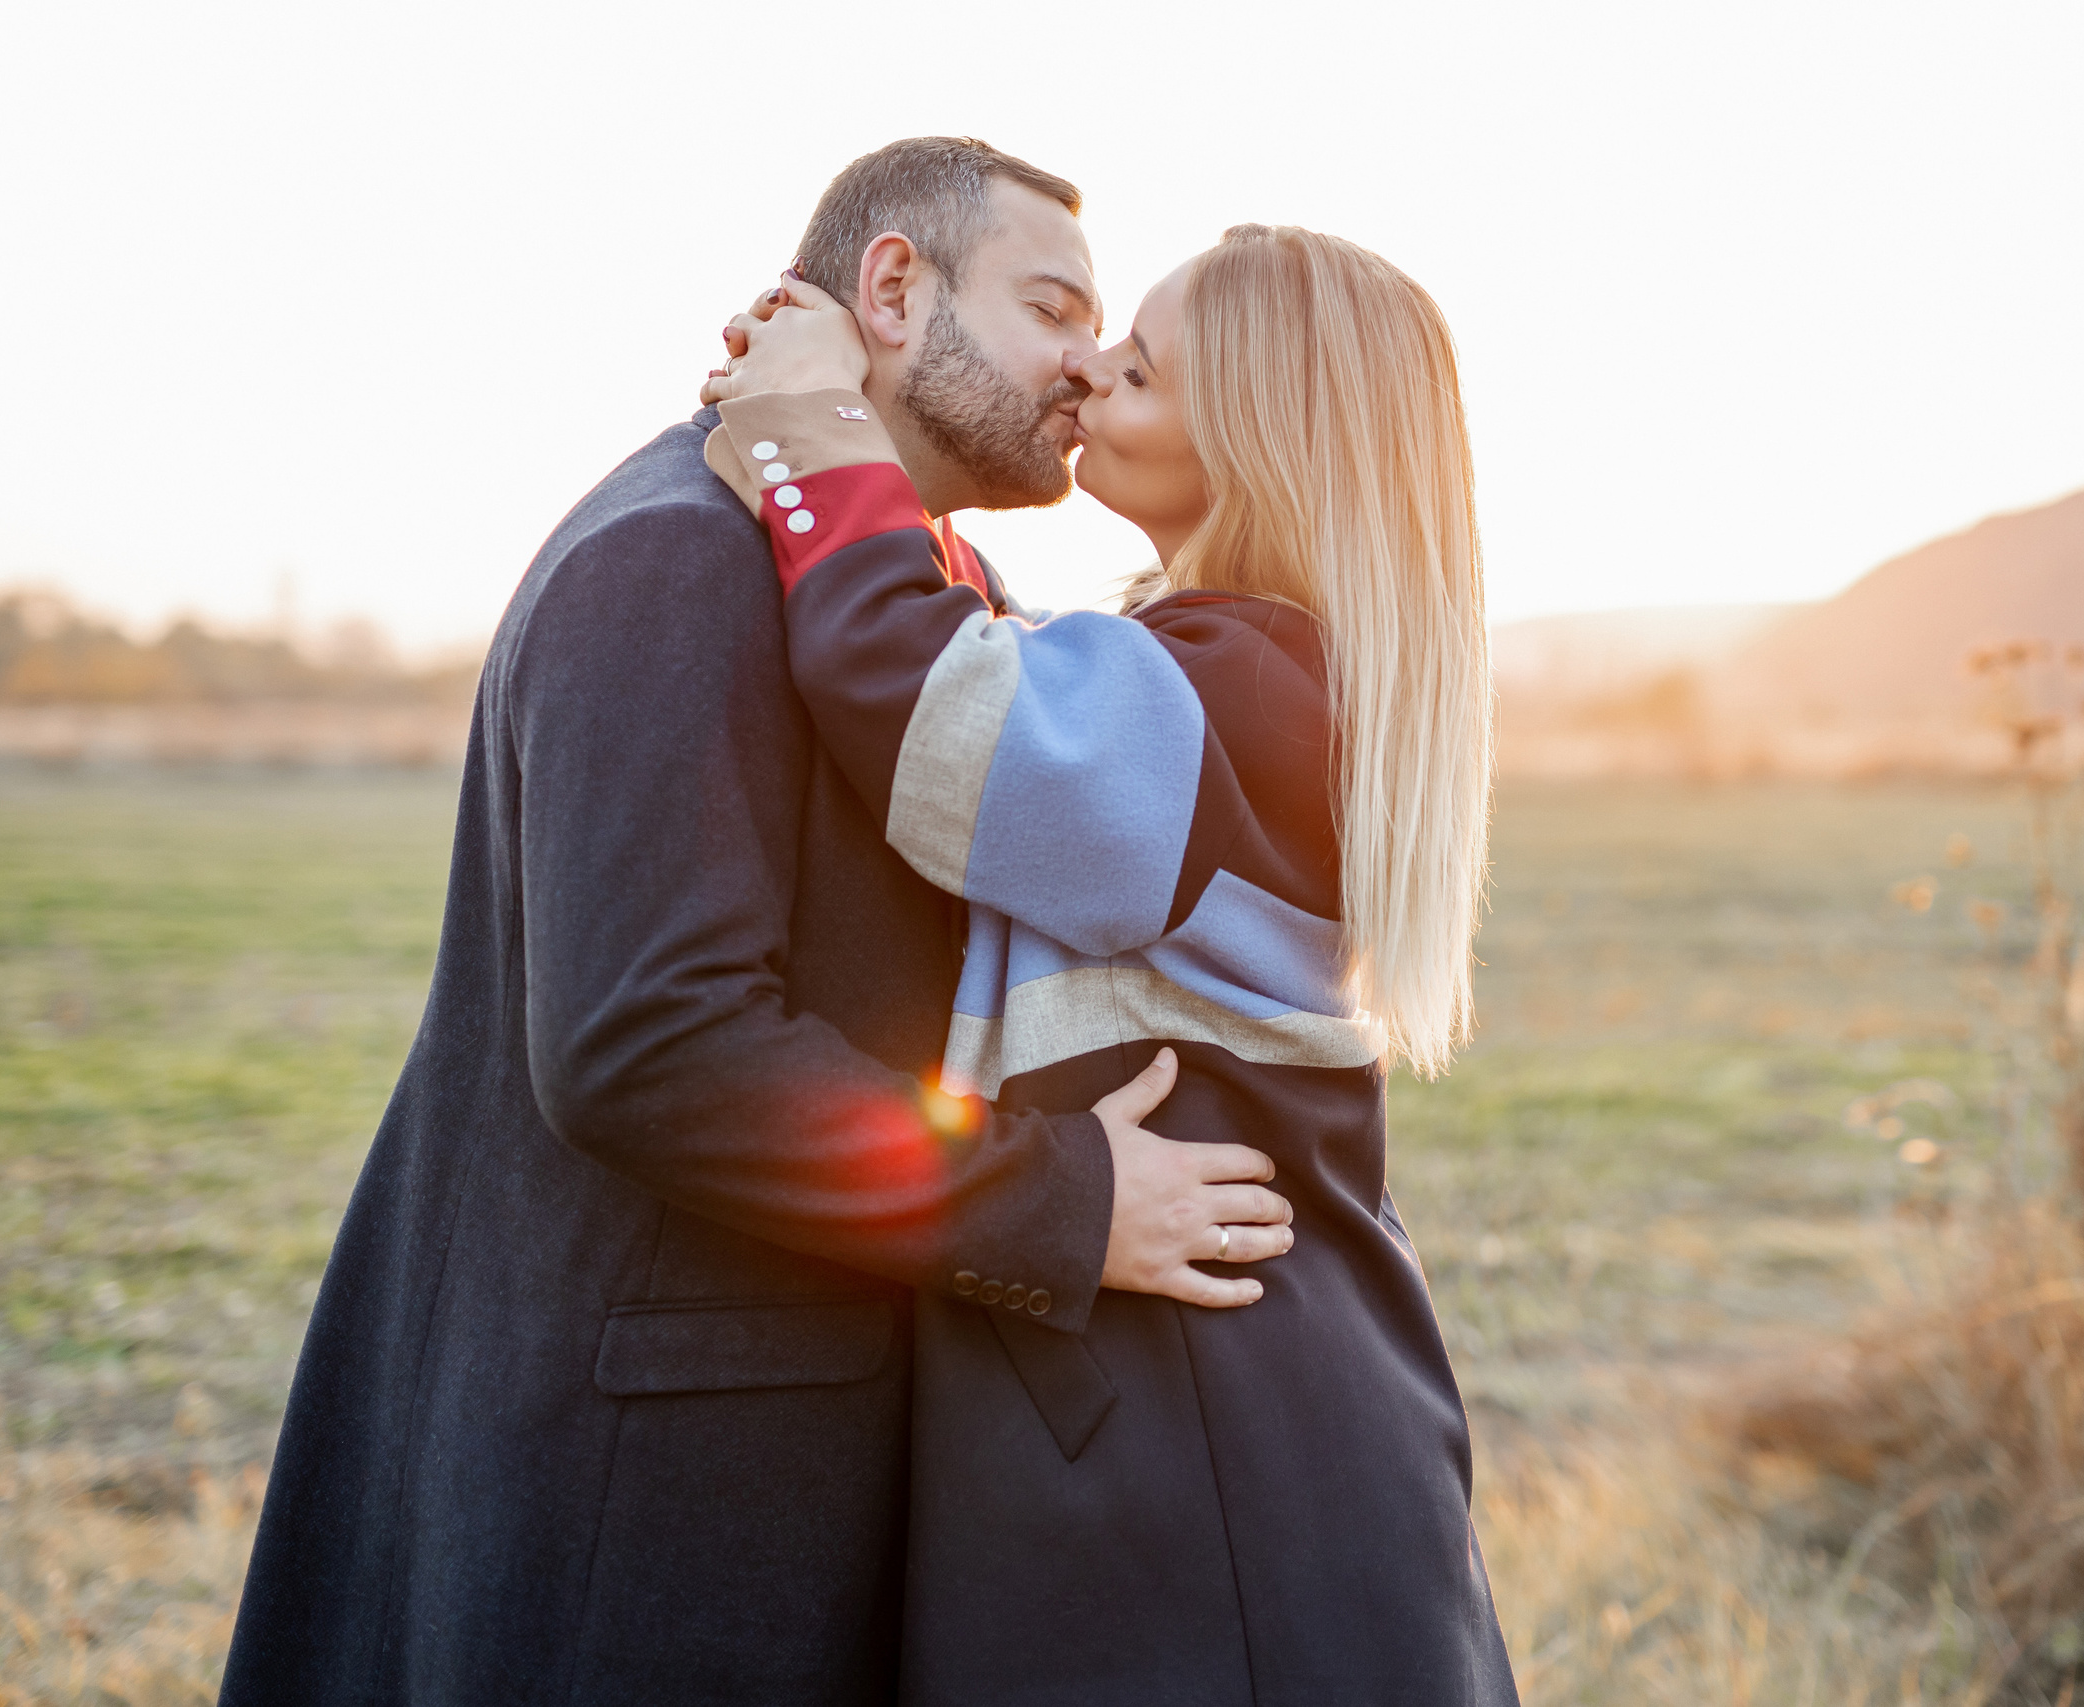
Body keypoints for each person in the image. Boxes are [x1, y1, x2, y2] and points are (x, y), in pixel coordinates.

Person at [218, 139, 1296, 1707]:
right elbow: (651, 1042)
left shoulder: (934, 577)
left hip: (813, 1434)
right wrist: (1056, 1202)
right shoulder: (676, 554)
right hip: (652, 1483)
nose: (1089, 360)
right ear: (891, 286)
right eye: (1054, 305)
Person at [701, 223, 1520, 1705]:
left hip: (1204, 1452)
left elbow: (924, 699)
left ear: (1260, 432)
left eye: (1135, 369)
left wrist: (810, 426)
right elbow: (991, 653)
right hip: (1209, 1418)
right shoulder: (1221, 671)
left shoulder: (1246, 691)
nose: (1085, 374)